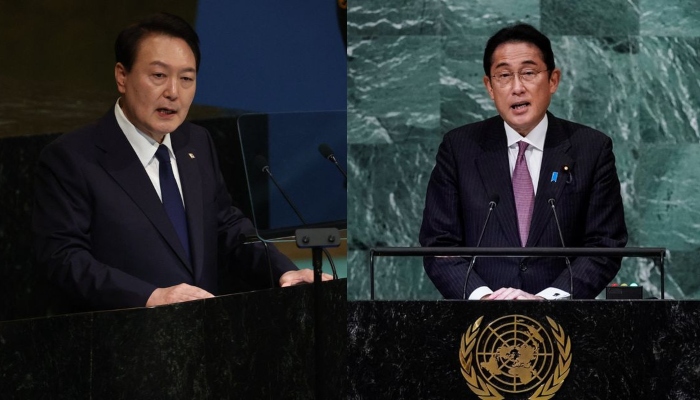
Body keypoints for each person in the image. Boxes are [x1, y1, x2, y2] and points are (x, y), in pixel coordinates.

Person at [32, 13, 330, 311]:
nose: (173, 92)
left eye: (186, 78)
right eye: (158, 76)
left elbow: (227, 228)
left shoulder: (196, 142)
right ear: (122, 76)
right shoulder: (73, 157)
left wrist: (282, 271)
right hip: (120, 341)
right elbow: (64, 258)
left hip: (202, 335)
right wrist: (151, 297)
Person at [418, 23, 627, 300]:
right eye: (503, 75)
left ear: (553, 80)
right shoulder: (460, 148)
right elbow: (439, 244)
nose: (517, 87)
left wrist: (548, 299)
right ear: (489, 87)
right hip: (479, 327)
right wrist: (482, 298)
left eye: (528, 73)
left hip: (563, 324)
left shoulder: (591, 148)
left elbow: (604, 245)